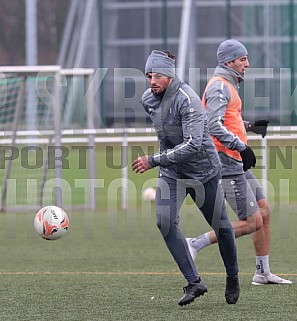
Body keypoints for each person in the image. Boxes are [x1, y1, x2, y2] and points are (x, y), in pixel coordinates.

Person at [132, 50, 240, 306]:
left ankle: (233, 276)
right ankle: (194, 282)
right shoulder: (148, 99)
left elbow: (193, 144)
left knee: (222, 227)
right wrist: (163, 163)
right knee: (164, 221)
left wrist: (153, 160)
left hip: (203, 172)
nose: (152, 80)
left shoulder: (187, 100)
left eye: (158, 75)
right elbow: (165, 136)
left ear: (170, 75)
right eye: (149, 75)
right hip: (172, 172)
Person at [186, 39, 292, 286]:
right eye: (243, 59)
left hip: (235, 160)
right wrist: (241, 145)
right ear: (228, 61)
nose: (248, 64)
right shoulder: (220, 87)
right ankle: (195, 243)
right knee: (253, 221)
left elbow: (225, 120)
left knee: (264, 211)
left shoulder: (228, 87)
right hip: (225, 162)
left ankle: (262, 272)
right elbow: (212, 125)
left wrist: (249, 127)